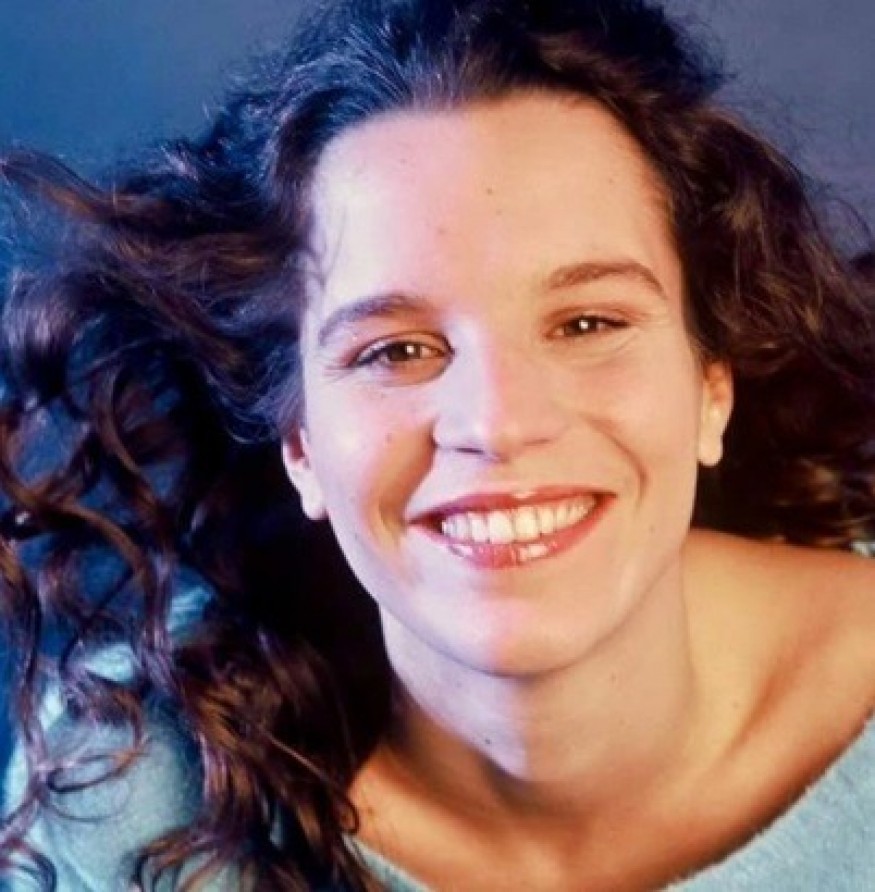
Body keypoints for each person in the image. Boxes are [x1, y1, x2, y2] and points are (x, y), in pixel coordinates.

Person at [2, 0, 875, 888]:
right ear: (300, 442)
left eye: (586, 323)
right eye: (395, 351)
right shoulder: (119, 785)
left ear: (711, 386)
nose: (496, 423)